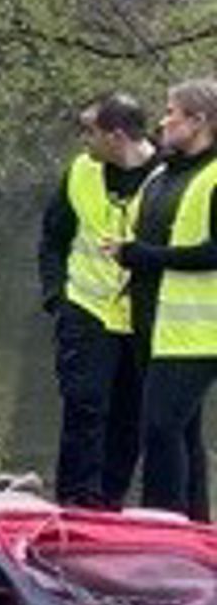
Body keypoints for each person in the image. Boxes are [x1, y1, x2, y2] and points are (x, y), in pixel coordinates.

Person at [40, 93, 156, 508]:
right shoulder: (80, 172)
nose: (83, 140)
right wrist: (56, 296)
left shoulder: (165, 177)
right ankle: (74, 501)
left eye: (90, 131)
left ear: (117, 135)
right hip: (86, 309)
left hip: (144, 318)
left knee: (130, 416)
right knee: (84, 406)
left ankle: (110, 502)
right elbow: (54, 236)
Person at [122, 79, 217, 521]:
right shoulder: (164, 173)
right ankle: (197, 529)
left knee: (160, 428)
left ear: (199, 122)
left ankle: (163, 528)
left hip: (198, 331)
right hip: (153, 321)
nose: (163, 121)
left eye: (172, 113)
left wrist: (147, 257)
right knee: (183, 432)